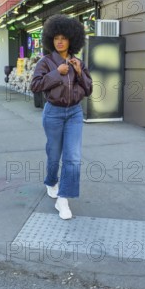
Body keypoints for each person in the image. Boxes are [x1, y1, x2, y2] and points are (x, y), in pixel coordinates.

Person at [30, 14, 93, 219]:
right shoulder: (46, 62)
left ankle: (63, 199)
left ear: (71, 40)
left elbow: (89, 89)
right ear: (51, 39)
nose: (59, 41)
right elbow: (35, 86)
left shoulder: (78, 63)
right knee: (54, 154)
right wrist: (57, 73)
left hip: (74, 113)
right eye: (56, 37)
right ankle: (50, 181)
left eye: (63, 38)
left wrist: (78, 72)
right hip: (54, 113)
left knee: (73, 157)